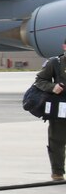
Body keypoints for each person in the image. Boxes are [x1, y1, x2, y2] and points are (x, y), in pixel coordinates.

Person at [34, 38, 66, 182]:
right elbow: (39, 80)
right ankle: (57, 172)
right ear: (64, 46)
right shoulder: (55, 63)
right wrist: (53, 87)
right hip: (60, 109)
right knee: (57, 141)